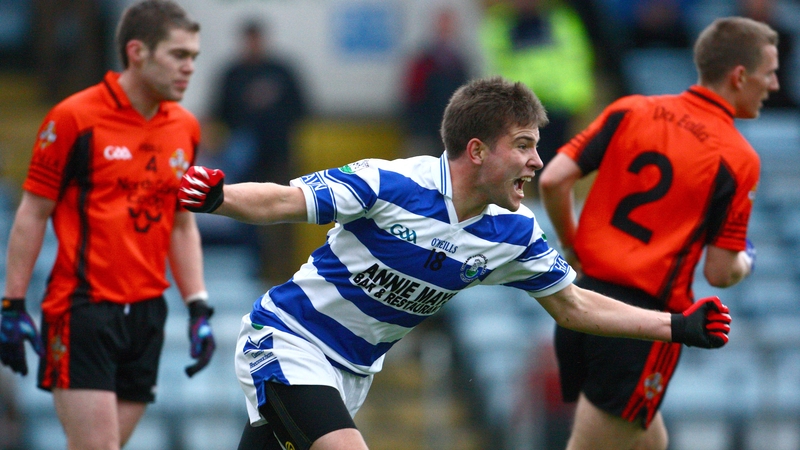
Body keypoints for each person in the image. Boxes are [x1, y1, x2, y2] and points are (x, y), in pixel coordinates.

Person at [177, 76, 731, 450]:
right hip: (287, 340)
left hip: (352, 373)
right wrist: (218, 197)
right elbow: (283, 201)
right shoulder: (390, 183)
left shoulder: (515, 232)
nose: (537, 160)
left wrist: (677, 326)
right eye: (523, 145)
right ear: (476, 150)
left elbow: (574, 305)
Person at [538, 16, 773, 450]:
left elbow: (553, 180)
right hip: (642, 325)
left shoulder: (631, 109)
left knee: (648, 441)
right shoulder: (737, 158)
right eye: (770, 73)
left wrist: (570, 246)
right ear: (740, 77)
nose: (774, 85)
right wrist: (748, 259)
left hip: (581, 299)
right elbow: (721, 273)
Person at [0, 1, 216, 448]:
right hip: (81, 311)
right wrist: (13, 303)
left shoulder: (187, 128)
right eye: (179, 55)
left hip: (148, 315)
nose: (190, 67)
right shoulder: (73, 118)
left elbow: (181, 225)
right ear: (137, 52)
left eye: (194, 56)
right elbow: (32, 213)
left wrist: (198, 306)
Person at [208, 18, 308, 283]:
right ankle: (254, 273)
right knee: (246, 214)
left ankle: (286, 272)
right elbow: (219, 112)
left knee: (287, 215)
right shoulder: (233, 73)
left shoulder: (281, 71)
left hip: (279, 155)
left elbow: (302, 109)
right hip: (244, 161)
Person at [479, 0, 596, 169]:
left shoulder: (560, 20)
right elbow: (494, 66)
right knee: (531, 164)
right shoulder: (499, 26)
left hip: (560, 104)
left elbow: (578, 59)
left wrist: (579, 96)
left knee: (557, 163)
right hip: (521, 109)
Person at [401, 7, 470, 157]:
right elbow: (412, 97)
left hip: (451, 134)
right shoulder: (424, 61)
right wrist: (419, 128)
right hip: (426, 132)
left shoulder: (458, 61)